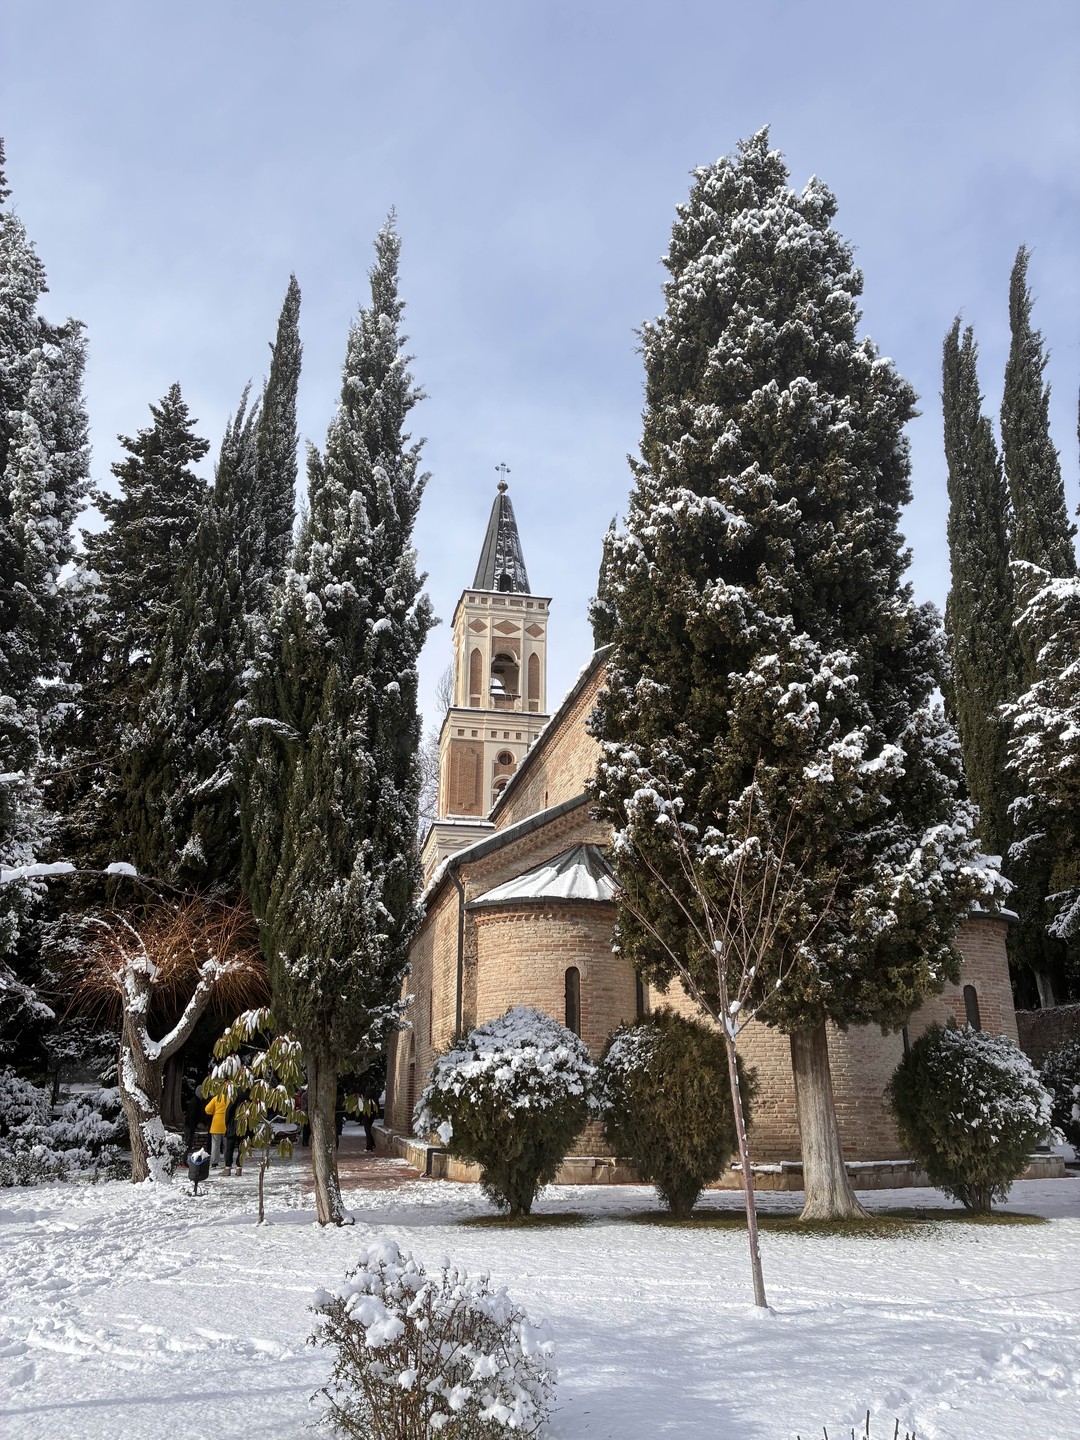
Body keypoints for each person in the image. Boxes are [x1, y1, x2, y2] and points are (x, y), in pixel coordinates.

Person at [222, 1088, 248, 1177]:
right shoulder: (251, 1094)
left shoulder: (236, 1093)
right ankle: (239, 1168)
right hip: (245, 1125)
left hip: (234, 1124)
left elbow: (229, 1110)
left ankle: (228, 1168)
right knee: (242, 1148)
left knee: (229, 1148)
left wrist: (227, 1124)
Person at [204, 1087, 227, 1168]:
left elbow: (207, 1109)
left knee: (215, 1144)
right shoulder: (230, 1099)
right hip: (226, 1124)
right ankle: (227, 1162)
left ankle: (214, 1162)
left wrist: (214, 1112)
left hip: (216, 1123)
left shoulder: (215, 1098)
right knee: (226, 1145)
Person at [183, 1083, 204, 1157]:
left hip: (190, 1125)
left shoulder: (196, 1101)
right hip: (190, 1126)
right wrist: (194, 1126)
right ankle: (183, 1160)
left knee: (188, 1143)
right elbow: (192, 1115)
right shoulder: (196, 1102)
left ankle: (183, 1160)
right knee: (187, 1143)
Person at [360, 1087, 379, 1152]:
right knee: (368, 1130)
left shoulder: (366, 1098)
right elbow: (377, 1106)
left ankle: (369, 1145)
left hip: (366, 1115)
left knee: (367, 1130)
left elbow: (362, 1107)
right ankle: (372, 1144)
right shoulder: (375, 1098)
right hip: (372, 1115)